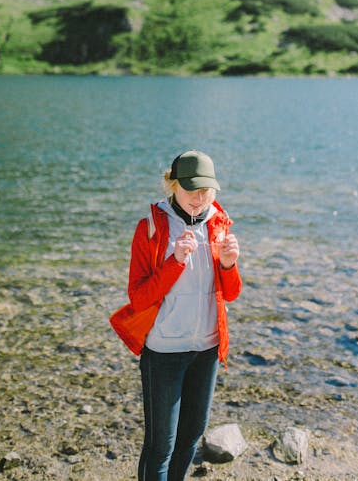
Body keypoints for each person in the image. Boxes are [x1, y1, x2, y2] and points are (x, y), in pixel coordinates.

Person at [110, 149, 242, 481]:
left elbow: (233, 293)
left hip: (207, 352)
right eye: (190, 190)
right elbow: (139, 298)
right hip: (164, 353)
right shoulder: (151, 229)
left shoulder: (218, 224)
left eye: (206, 191)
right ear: (173, 185)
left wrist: (229, 264)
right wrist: (175, 262)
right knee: (160, 446)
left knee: (191, 437)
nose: (199, 199)